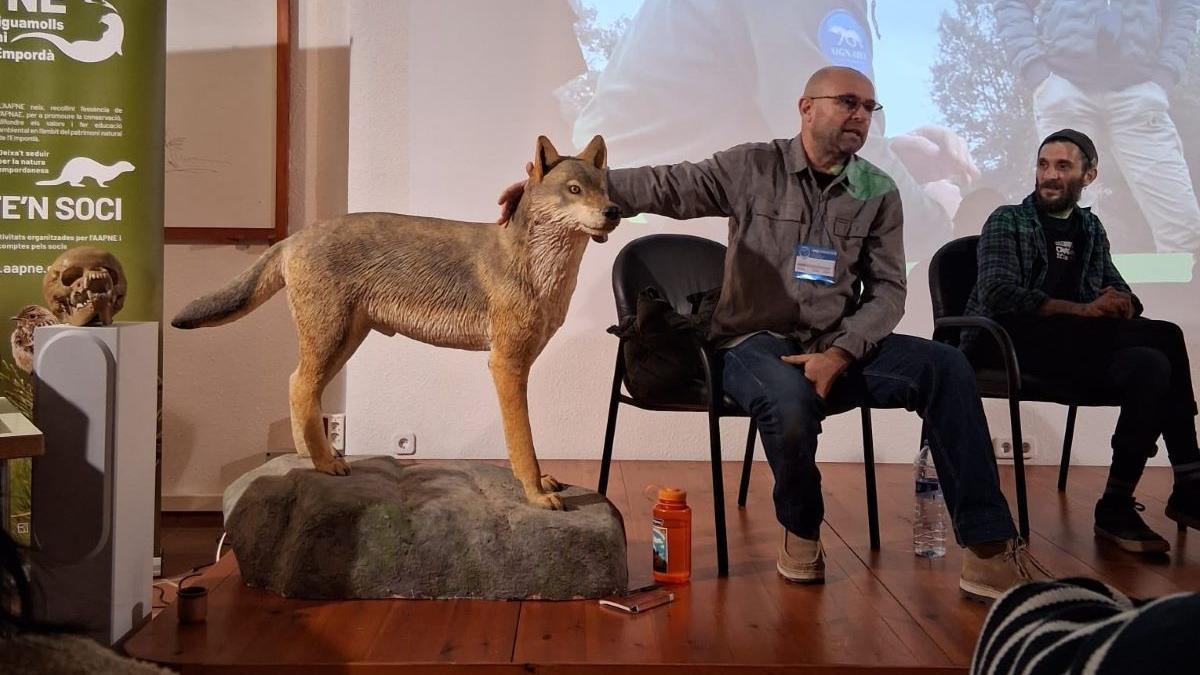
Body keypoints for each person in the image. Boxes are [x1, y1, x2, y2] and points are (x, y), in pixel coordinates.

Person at [501, 66, 1047, 601]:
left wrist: (840, 351)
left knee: (945, 368)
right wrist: (556, 189)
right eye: (847, 102)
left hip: (839, 342)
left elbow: (888, 292)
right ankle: (803, 533)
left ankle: (988, 552)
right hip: (753, 343)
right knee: (789, 401)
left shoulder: (878, 190)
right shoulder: (752, 167)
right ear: (806, 108)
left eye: (869, 107)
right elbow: (664, 185)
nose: (861, 115)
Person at [572, 0, 979, 261]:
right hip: (651, 240)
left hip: (629, 224)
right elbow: (833, 142)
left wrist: (894, 152)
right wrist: (940, 221)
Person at [965, 129, 1200, 554]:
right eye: (1043, 165)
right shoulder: (1008, 219)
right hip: (1011, 344)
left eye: (1062, 166)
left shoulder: (1090, 228)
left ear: (1088, 175)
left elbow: (1122, 291)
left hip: (1076, 346)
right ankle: (1191, 478)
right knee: (1167, 335)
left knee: (1152, 364)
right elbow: (999, 294)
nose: (1049, 176)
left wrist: (1121, 303)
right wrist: (1083, 311)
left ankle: (1115, 504)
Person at [995, 0, 1200, 254]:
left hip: (1140, 96)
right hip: (1064, 91)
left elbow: (1182, 6)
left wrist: (1165, 76)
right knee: (1066, 228)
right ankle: (1079, 290)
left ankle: (1174, 290)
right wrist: (1036, 71)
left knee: (1181, 223)